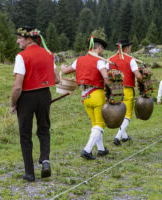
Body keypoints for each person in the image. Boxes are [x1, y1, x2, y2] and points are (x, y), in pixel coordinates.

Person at [10, 26, 60, 182]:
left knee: (25, 134)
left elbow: (17, 86)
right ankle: (45, 161)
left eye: (19, 38)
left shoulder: (21, 56)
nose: (17, 41)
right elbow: (57, 79)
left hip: (26, 98)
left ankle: (29, 173)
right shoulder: (48, 53)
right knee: (44, 129)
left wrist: (13, 104)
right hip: (44, 95)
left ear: (28, 38)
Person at [61, 36, 109, 160]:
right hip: (97, 95)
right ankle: (87, 150)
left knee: (95, 124)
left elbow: (66, 71)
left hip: (85, 96)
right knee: (100, 124)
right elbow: (105, 76)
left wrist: (62, 68)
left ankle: (101, 149)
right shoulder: (99, 61)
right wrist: (111, 90)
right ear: (98, 48)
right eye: (102, 48)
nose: (102, 51)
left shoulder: (79, 60)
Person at [109, 39, 142, 145]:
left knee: (119, 113)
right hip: (126, 89)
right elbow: (137, 75)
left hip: (114, 90)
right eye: (130, 47)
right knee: (127, 114)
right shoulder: (130, 60)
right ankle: (117, 137)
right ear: (126, 48)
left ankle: (124, 136)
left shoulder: (110, 59)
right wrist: (142, 78)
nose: (130, 49)